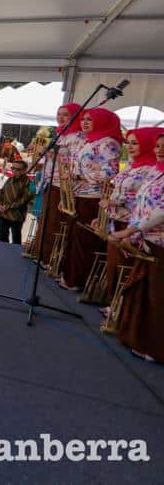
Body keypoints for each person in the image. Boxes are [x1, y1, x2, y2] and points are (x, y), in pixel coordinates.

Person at [109, 131, 164, 361]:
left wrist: (130, 230)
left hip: (159, 241)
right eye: (159, 146)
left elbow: (160, 212)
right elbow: (140, 206)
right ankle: (139, 337)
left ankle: (156, 347)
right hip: (145, 237)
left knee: (157, 294)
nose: (160, 150)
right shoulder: (156, 173)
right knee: (144, 291)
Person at [97, 128, 164, 312]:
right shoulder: (146, 169)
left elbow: (156, 208)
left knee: (130, 272)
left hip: (142, 231)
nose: (159, 150)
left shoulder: (149, 168)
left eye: (136, 142)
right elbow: (140, 201)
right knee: (118, 268)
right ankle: (116, 307)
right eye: (129, 143)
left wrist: (130, 230)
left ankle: (120, 310)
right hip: (129, 225)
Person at [58, 108, 121, 291]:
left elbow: (110, 172)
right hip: (78, 193)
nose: (85, 122)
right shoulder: (88, 140)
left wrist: (81, 176)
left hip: (93, 197)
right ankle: (69, 275)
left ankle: (78, 279)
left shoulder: (108, 143)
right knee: (73, 237)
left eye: (90, 120)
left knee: (83, 240)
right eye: (84, 119)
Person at [33, 103, 85, 266]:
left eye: (65, 115)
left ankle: (50, 258)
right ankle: (40, 254)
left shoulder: (78, 137)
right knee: (46, 221)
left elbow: (76, 162)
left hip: (62, 184)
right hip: (50, 182)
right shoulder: (60, 134)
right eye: (59, 114)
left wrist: (50, 153)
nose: (60, 118)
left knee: (54, 223)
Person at [0, 160, 34, 244]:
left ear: (24, 170)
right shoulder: (10, 179)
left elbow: (23, 200)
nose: (14, 171)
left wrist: (7, 207)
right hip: (3, 213)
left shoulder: (28, 183)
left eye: (18, 169)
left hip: (17, 215)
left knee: (16, 239)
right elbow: (1, 192)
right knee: (2, 238)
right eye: (13, 168)